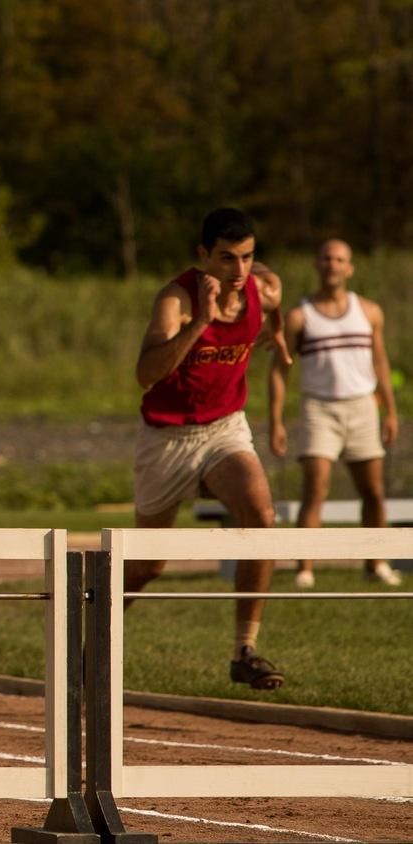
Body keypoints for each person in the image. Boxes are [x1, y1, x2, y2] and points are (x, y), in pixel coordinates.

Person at [129, 207, 287, 691]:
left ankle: (245, 650)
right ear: (203, 256)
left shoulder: (264, 286)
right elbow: (145, 374)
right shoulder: (174, 300)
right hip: (168, 437)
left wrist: (276, 331)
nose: (239, 271)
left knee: (261, 514)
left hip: (224, 428)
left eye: (247, 257)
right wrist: (201, 322)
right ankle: (83, 629)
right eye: (226, 259)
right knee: (148, 566)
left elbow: (275, 302)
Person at [268, 239, 401, 588]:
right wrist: (277, 419)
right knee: (315, 488)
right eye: (327, 258)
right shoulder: (300, 316)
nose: (333, 264)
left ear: (349, 267)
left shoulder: (369, 311)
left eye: (340, 259)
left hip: (362, 406)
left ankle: (377, 563)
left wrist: (390, 410)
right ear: (318, 263)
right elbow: (280, 369)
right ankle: (305, 569)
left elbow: (380, 362)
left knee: (372, 491)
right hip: (319, 407)